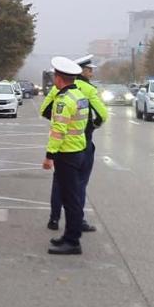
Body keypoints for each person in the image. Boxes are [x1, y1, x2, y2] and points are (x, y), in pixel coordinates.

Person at [42, 54, 108, 232]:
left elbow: (44, 110)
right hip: (81, 144)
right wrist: (91, 127)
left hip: (62, 146)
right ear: (81, 71)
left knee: (59, 183)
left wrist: (58, 120)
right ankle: (78, 224)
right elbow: (103, 115)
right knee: (79, 185)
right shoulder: (86, 90)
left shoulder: (59, 90)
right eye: (90, 70)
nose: (91, 73)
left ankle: (54, 219)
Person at [42, 56, 92, 255]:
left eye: (55, 75)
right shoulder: (79, 96)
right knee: (71, 196)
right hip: (79, 149)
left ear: (59, 78)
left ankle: (73, 241)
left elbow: (58, 130)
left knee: (70, 199)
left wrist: (49, 156)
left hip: (67, 153)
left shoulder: (63, 100)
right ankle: (69, 236)